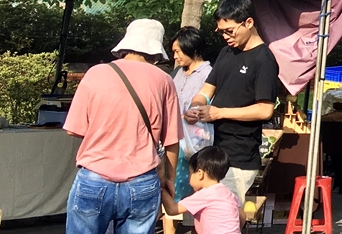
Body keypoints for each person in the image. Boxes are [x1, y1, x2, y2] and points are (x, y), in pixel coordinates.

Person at [64, 19, 180, 234]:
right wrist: (169, 180)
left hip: (94, 177)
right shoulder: (164, 80)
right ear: (156, 49)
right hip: (143, 181)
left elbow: (74, 129)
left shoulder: (96, 73)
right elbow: (172, 140)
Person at [187, 0, 279, 207]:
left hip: (239, 155)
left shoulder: (264, 60)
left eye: (229, 30)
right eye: (221, 31)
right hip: (211, 148)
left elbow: (265, 110)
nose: (226, 37)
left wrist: (219, 113)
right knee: (204, 217)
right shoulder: (226, 52)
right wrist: (195, 107)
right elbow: (206, 90)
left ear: (248, 22)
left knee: (224, 217)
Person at [168, 27, 212, 234]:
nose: (175, 56)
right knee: (173, 187)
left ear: (192, 49)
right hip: (175, 139)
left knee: (196, 189)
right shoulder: (178, 73)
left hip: (197, 143)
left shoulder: (208, 74)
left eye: (178, 51)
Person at [160, 147, 239, 234]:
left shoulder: (205, 195)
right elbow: (242, 216)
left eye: (190, 173)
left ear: (200, 174)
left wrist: (161, 187)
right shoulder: (228, 193)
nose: (189, 177)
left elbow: (172, 210)